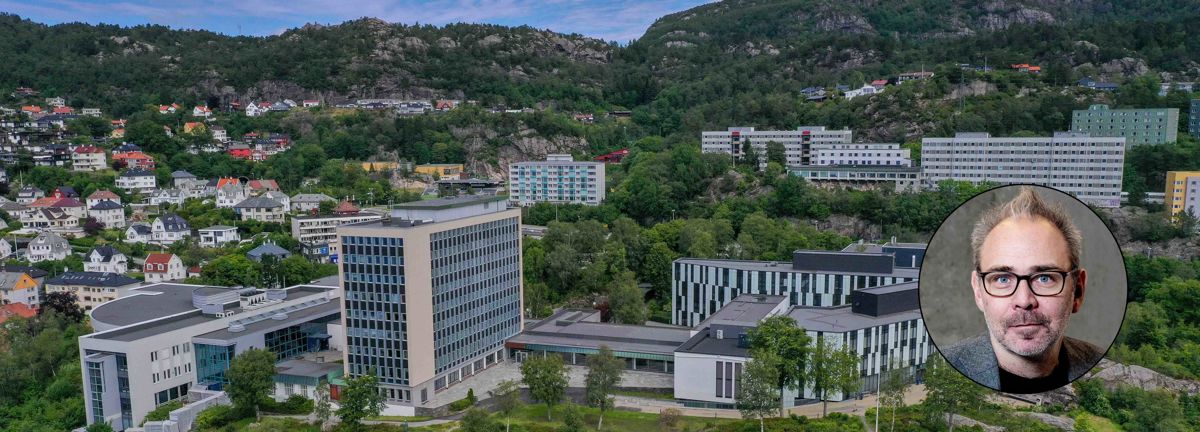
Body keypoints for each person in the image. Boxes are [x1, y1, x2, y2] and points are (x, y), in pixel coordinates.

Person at [940, 186, 1104, 393]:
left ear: (1078, 290)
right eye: (1002, 279)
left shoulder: (1098, 362)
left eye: (1044, 278)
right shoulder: (944, 364)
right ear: (978, 291)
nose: (1024, 300)